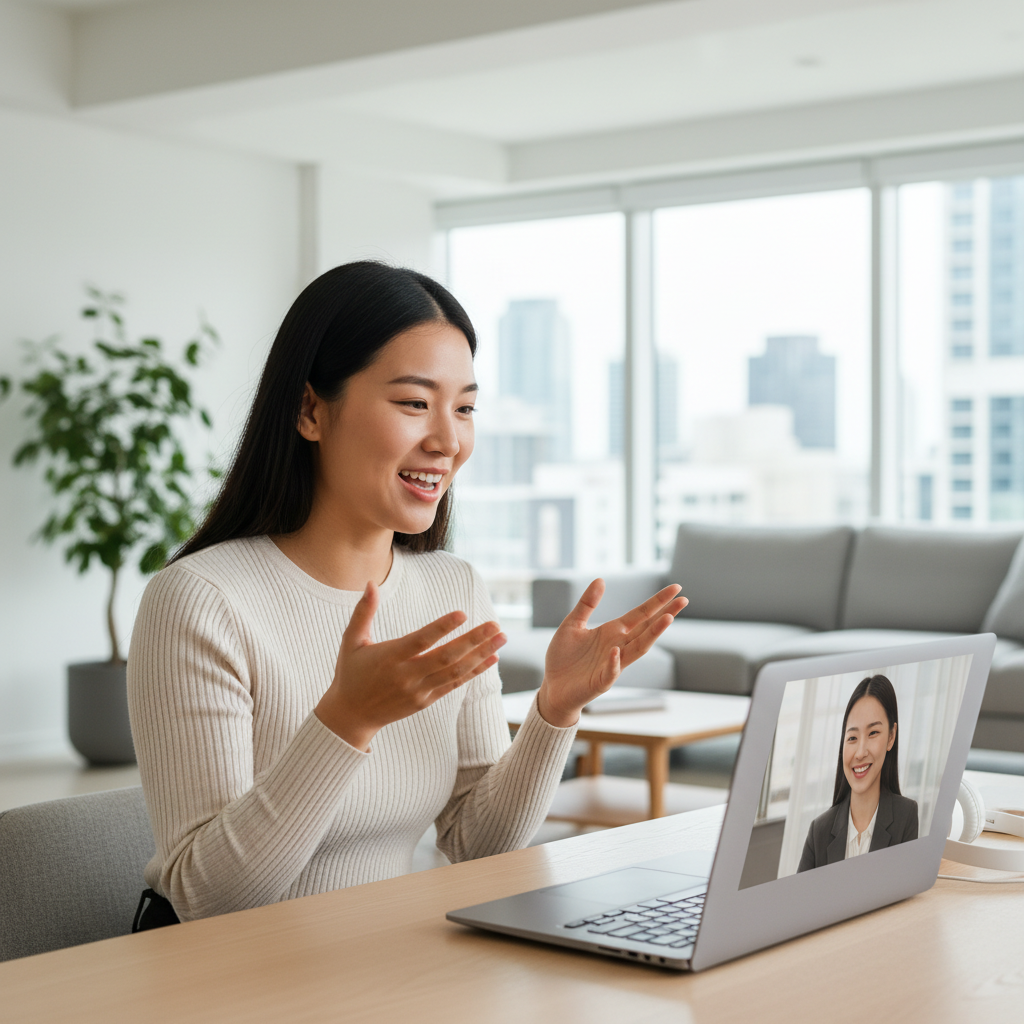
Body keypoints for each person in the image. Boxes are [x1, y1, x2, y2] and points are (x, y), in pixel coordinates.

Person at [127, 262, 686, 926]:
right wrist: (345, 720)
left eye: (466, 408)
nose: (449, 440)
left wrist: (555, 710)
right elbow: (207, 900)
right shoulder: (201, 601)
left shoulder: (451, 587)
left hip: (384, 957)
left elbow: (477, 842)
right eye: (414, 403)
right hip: (232, 980)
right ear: (311, 410)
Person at [797, 674, 918, 872]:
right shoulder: (819, 830)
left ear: (891, 736)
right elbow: (797, 900)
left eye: (873, 733)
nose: (860, 753)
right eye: (852, 737)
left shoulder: (906, 816)